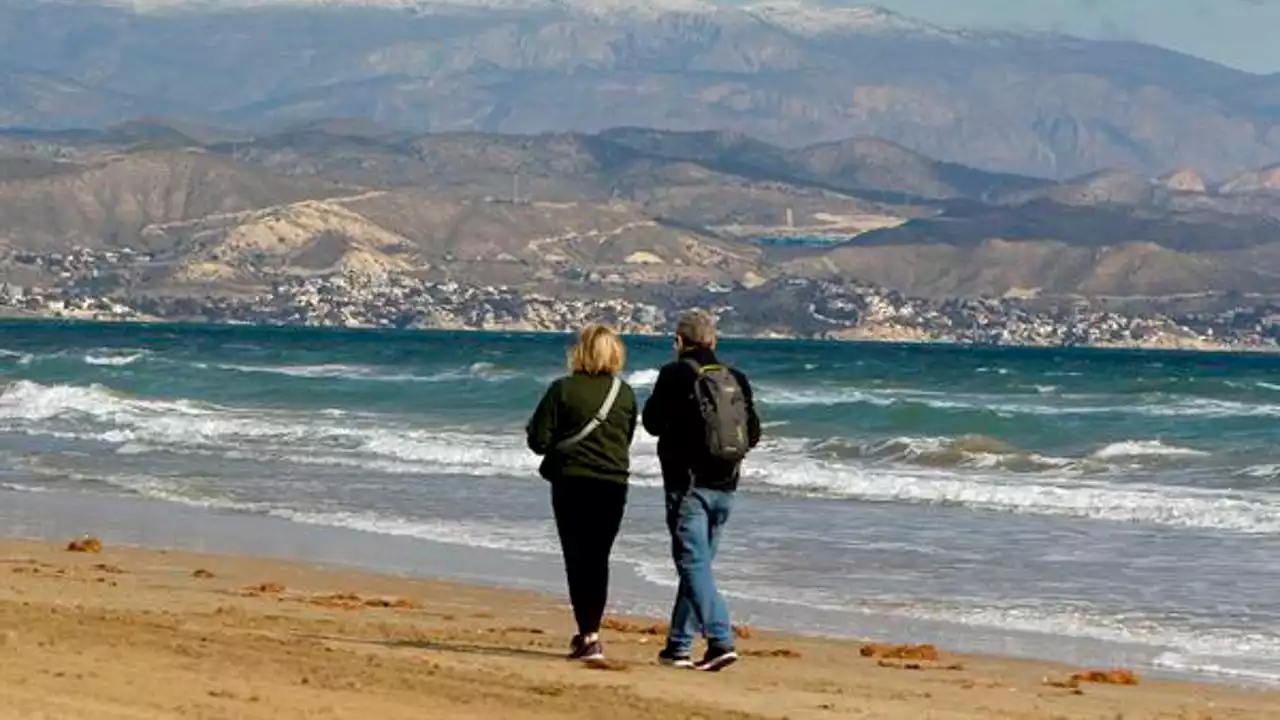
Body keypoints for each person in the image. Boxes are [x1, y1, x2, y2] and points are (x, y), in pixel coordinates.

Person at [642, 309, 761, 672]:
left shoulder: (674, 374)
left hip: (687, 486)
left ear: (679, 342)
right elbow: (752, 433)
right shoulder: (735, 377)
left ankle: (720, 640)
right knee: (698, 567)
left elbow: (650, 423)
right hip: (727, 484)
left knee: (693, 565)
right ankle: (678, 646)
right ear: (713, 341)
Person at [526, 323, 638, 661]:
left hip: (572, 482)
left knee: (577, 560)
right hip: (614, 484)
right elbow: (627, 438)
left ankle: (588, 635)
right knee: (598, 559)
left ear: (580, 352)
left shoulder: (562, 389)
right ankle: (591, 631)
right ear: (615, 353)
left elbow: (538, 442)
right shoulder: (626, 393)